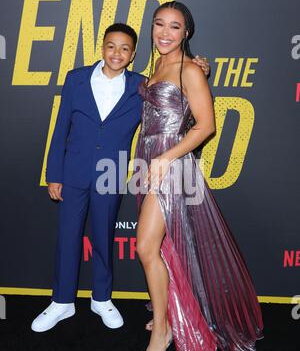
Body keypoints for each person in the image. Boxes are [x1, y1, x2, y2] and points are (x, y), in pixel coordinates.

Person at [31, 22, 210, 333]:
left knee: (103, 236)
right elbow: (60, 129)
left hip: (111, 174)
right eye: (111, 46)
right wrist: (54, 174)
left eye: (125, 48)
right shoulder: (76, 79)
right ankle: (61, 302)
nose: (117, 53)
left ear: (133, 55)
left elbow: (175, 102)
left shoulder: (141, 86)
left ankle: (101, 298)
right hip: (73, 172)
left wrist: (199, 67)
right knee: (67, 237)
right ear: (102, 47)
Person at [134, 1, 264, 351]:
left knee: (146, 247)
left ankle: (163, 330)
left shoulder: (191, 70)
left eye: (174, 27)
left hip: (170, 166)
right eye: (159, 24)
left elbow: (205, 127)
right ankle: (170, 311)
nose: (164, 33)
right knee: (164, 250)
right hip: (150, 161)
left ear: (186, 33)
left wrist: (165, 159)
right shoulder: (159, 65)